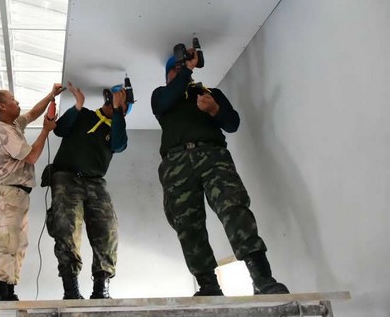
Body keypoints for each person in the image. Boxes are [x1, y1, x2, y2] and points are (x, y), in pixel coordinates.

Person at [151, 48, 289, 296]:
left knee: (234, 208)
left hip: (213, 155)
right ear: (168, 75)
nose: (180, 71)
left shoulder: (210, 93)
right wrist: (187, 70)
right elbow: (163, 101)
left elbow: (232, 123)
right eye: (175, 69)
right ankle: (208, 286)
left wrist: (215, 110)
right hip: (176, 162)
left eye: (182, 68)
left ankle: (262, 279)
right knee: (187, 224)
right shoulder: (161, 95)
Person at [46, 82, 129, 300]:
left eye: (120, 100)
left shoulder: (116, 128)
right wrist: (78, 106)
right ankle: (71, 290)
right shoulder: (84, 115)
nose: (114, 101)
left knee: (108, 229)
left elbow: (119, 144)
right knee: (66, 227)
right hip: (66, 177)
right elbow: (60, 130)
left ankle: (101, 289)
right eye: (114, 98)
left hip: (95, 182)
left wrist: (119, 112)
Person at [0, 83, 64, 301]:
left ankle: (9, 289)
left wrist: (51, 95)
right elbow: (31, 156)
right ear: (2, 106)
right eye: (13, 100)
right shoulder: (3, 130)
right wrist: (45, 130)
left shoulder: (12, 125)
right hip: (9, 193)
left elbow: (32, 114)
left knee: (18, 243)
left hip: (18, 194)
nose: (17, 102)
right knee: (6, 240)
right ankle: (0, 291)